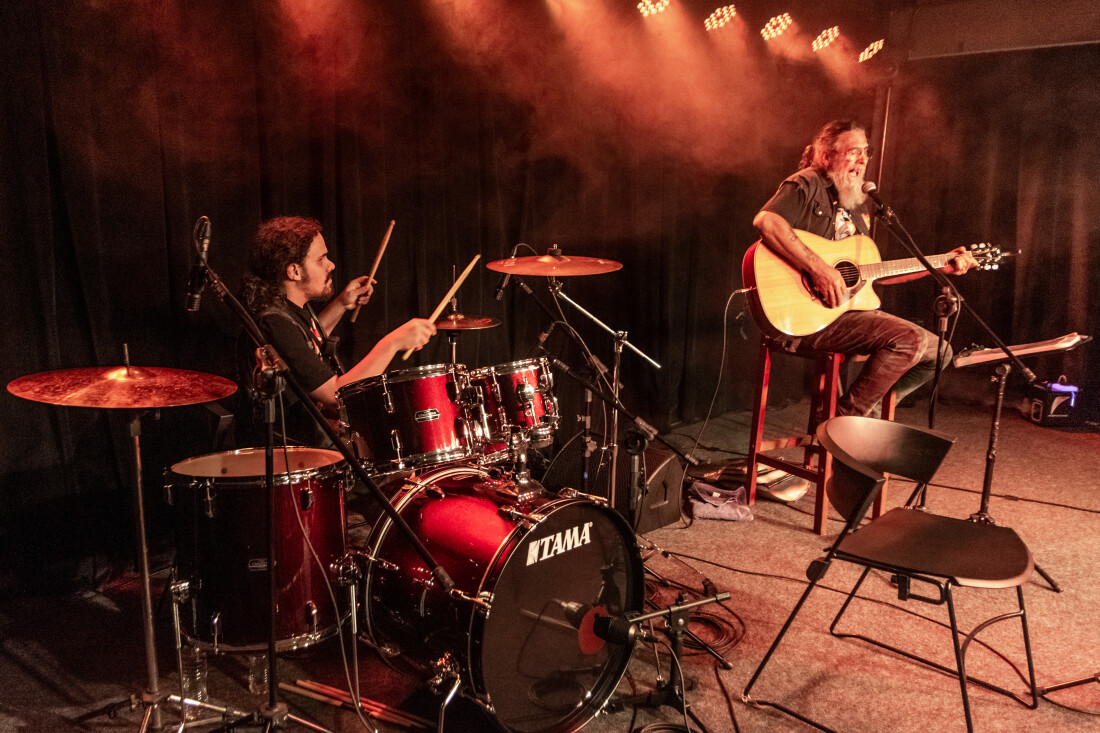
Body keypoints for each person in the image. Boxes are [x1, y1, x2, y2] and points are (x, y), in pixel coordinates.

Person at [752, 119, 978, 417]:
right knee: (909, 339)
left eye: (866, 152)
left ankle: (872, 409)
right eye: (853, 151)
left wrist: (938, 268)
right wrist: (820, 269)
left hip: (846, 313)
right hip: (804, 314)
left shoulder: (856, 206)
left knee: (940, 353)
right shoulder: (806, 182)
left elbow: (874, 276)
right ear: (826, 156)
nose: (862, 160)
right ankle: (847, 420)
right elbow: (767, 222)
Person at [240, 215, 436, 445]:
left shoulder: (288, 310)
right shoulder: (273, 323)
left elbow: (303, 341)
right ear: (294, 271)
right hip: (298, 456)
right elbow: (334, 395)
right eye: (321, 259)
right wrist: (392, 343)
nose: (331, 265)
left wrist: (343, 303)